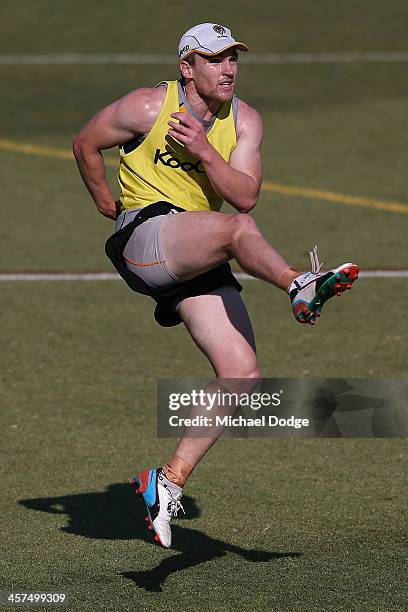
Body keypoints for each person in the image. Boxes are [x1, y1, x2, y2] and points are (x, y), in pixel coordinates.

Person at [73, 23, 359, 548]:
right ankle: (299, 284)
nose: (228, 69)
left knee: (242, 373)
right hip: (147, 235)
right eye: (214, 59)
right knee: (238, 232)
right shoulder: (146, 107)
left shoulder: (244, 120)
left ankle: (167, 483)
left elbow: (245, 194)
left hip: (196, 249)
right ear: (188, 67)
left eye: (233, 59)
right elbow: (86, 143)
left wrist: (206, 151)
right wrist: (104, 204)